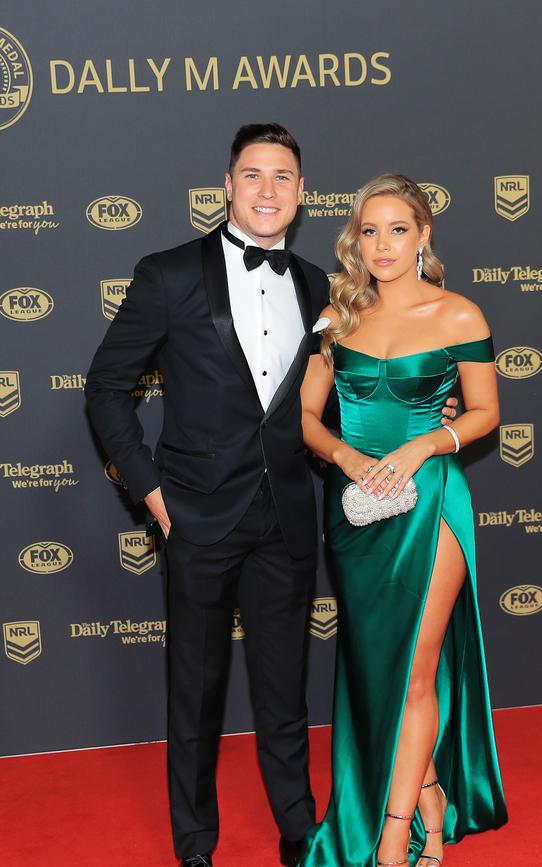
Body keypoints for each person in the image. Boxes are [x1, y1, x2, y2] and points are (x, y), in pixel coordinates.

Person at [84, 125, 461, 866]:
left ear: (300, 193)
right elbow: (104, 390)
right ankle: (195, 844)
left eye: (282, 177)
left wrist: (433, 412)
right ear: (227, 184)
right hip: (193, 514)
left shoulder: (323, 289)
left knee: (284, 690)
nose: (266, 190)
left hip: (286, 516)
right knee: (194, 694)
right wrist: (153, 495)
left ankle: (299, 830)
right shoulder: (166, 274)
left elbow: (351, 397)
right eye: (252, 175)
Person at [298, 174, 507, 867]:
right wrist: (344, 456)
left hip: (434, 502)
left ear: (424, 235)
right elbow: (305, 416)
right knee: (375, 665)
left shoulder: (459, 316)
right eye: (369, 230)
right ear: (354, 240)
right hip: (357, 509)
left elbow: (484, 413)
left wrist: (422, 443)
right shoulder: (338, 317)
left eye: (397, 229)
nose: (382, 243)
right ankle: (433, 798)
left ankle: (394, 835)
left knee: (416, 669)